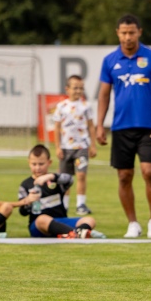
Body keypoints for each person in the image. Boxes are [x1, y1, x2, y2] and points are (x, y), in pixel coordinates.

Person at [95, 14, 151, 239]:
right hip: (120, 127)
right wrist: (99, 125)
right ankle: (133, 223)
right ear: (117, 33)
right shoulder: (109, 60)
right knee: (124, 176)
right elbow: (104, 95)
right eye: (124, 33)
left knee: (149, 172)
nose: (128, 37)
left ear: (140, 32)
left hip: (148, 127)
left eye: (132, 32)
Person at [17, 145, 98, 238]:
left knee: (89, 220)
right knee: (42, 219)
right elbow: (22, 212)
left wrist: (51, 176)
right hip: (38, 226)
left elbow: (70, 179)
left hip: (61, 221)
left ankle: (71, 233)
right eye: (34, 164)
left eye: (41, 164)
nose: (37, 168)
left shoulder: (55, 180)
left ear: (49, 162)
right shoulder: (25, 185)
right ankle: (76, 233)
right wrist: (28, 201)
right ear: (29, 163)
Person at [51, 75, 97, 216]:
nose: (78, 91)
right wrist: (58, 147)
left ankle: (80, 204)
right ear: (67, 89)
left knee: (81, 175)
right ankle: (63, 205)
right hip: (66, 148)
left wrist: (93, 145)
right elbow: (57, 128)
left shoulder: (85, 106)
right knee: (65, 178)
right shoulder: (61, 106)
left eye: (81, 88)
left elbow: (90, 126)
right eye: (75, 88)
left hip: (81, 147)